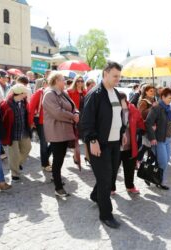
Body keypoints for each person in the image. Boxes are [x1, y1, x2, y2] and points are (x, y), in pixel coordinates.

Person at [81, 62, 126, 229]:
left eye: (119, 76)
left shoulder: (115, 93)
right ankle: (106, 215)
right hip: (100, 143)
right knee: (106, 179)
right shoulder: (95, 94)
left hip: (115, 142)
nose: (118, 79)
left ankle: (95, 195)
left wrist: (123, 133)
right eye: (115, 76)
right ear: (105, 74)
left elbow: (119, 116)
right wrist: (92, 141)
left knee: (112, 174)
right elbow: (86, 121)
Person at [43, 72, 78, 197]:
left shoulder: (63, 93)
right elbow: (57, 113)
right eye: (63, 79)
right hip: (56, 131)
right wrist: (73, 117)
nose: (65, 81)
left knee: (60, 157)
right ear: (56, 80)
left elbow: (73, 106)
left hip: (64, 130)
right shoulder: (49, 95)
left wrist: (76, 113)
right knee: (58, 159)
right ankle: (58, 187)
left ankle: (56, 178)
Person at [112, 92, 145, 194]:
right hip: (115, 145)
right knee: (113, 168)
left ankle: (130, 186)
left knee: (130, 168)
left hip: (130, 145)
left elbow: (140, 122)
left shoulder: (132, 109)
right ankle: (111, 188)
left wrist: (141, 129)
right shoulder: (111, 109)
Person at [145, 87, 171, 190]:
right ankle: (158, 180)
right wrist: (152, 138)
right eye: (169, 98)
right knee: (163, 161)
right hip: (158, 139)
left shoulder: (169, 108)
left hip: (167, 138)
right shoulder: (156, 108)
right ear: (162, 97)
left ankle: (156, 179)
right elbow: (148, 123)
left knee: (164, 161)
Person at [0, 84, 32, 181]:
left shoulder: (24, 102)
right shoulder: (5, 104)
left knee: (27, 148)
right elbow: (2, 120)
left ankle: (16, 164)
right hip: (11, 133)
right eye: (25, 93)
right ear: (19, 93)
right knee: (14, 154)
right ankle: (15, 173)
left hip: (23, 130)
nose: (26, 94)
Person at [28, 79, 52, 172]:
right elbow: (31, 107)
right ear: (45, 84)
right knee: (44, 142)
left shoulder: (55, 93)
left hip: (50, 121)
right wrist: (30, 122)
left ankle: (46, 158)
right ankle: (45, 164)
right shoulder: (39, 92)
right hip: (40, 121)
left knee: (55, 142)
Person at [67, 75, 86, 167]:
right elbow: (67, 105)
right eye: (78, 81)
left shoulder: (86, 92)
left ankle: (83, 156)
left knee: (82, 137)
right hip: (74, 117)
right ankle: (76, 156)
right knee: (75, 138)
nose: (80, 83)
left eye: (82, 81)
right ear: (75, 82)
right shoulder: (70, 92)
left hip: (84, 118)